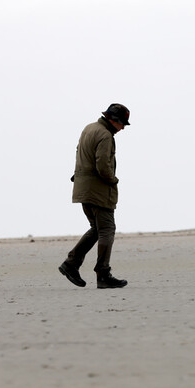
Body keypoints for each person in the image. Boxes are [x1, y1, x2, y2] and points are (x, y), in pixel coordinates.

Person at [59, 104, 130, 289]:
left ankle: (71, 264)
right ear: (114, 120)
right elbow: (103, 166)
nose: (122, 128)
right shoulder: (105, 135)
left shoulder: (89, 128)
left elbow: (80, 154)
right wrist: (114, 180)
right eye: (122, 124)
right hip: (98, 190)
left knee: (97, 229)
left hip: (83, 188)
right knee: (107, 229)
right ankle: (103, 274)